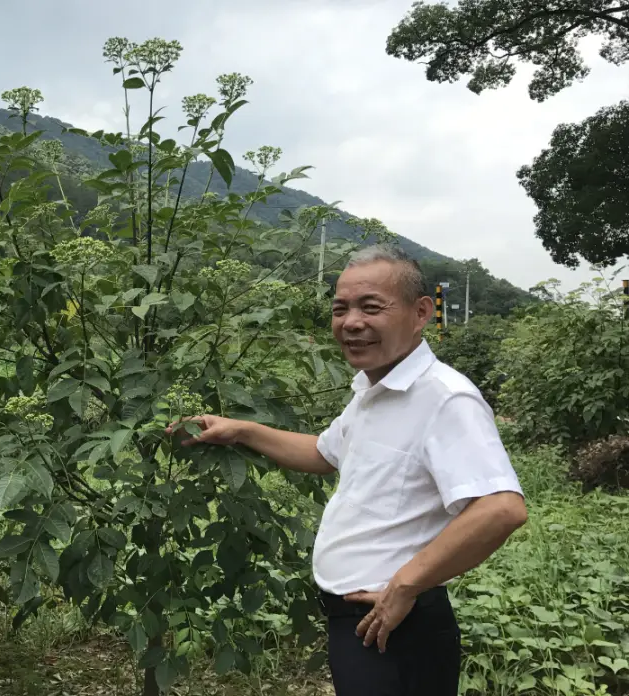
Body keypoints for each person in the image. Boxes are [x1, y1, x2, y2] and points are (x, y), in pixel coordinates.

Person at [168, 245, 528, 696]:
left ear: (421, 313)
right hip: (364, 621)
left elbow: (501, 508)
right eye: (341, 309)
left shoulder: (444, 397)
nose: (351, 322)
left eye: (370, 307)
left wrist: (405, 584)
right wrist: (242, 430)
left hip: (397, 623)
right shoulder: (373, 389)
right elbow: (324, 453)